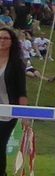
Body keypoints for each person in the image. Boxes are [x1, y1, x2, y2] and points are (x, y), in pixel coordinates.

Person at [0, 25, 29, 167]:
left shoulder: (16, 64)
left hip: (7, 112)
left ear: (12, 41)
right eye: (0, 38)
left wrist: (24, 115)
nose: (2, 41)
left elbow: (21, 91)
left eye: (6, 38)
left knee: (0, 143)